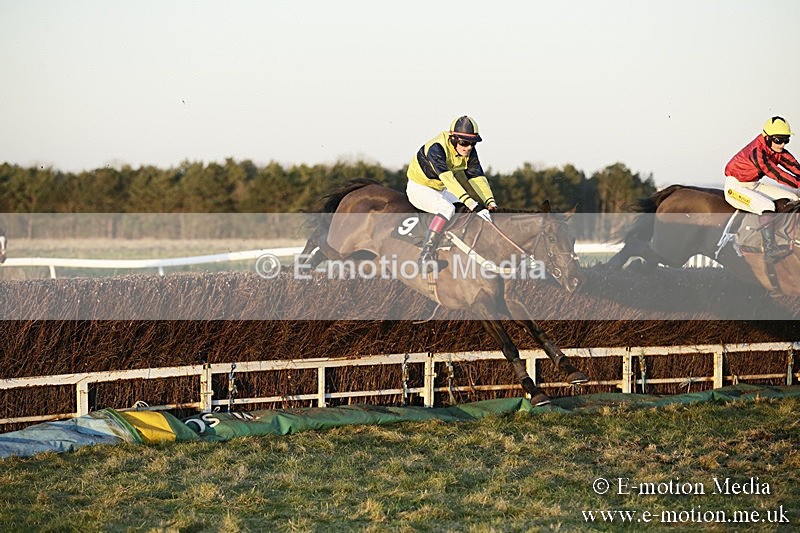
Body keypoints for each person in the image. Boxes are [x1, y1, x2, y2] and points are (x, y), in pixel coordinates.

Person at [406, 115, 498, 264]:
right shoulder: (436, 148)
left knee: (465, 209)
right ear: (453, 139)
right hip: (419, 188)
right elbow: (448, 179)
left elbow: (477, 177)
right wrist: (472, 203)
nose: (469, 148)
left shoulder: (469, 151)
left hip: (440, 189)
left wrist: (490, 202)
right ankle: (426, 254)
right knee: (447, 208)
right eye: (465, 143)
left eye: (473, 144)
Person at [724, 116, 800, 263]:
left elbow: (794, 167)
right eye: (778, 140)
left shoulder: (776, 149)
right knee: (767, 206)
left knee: (794, 199)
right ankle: (769, 249)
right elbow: (777, 174)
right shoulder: (757, 152)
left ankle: (786, 235)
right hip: (735, 187)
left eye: (786, 140)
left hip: (753, 184)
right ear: (767, 137)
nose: (782, 144)